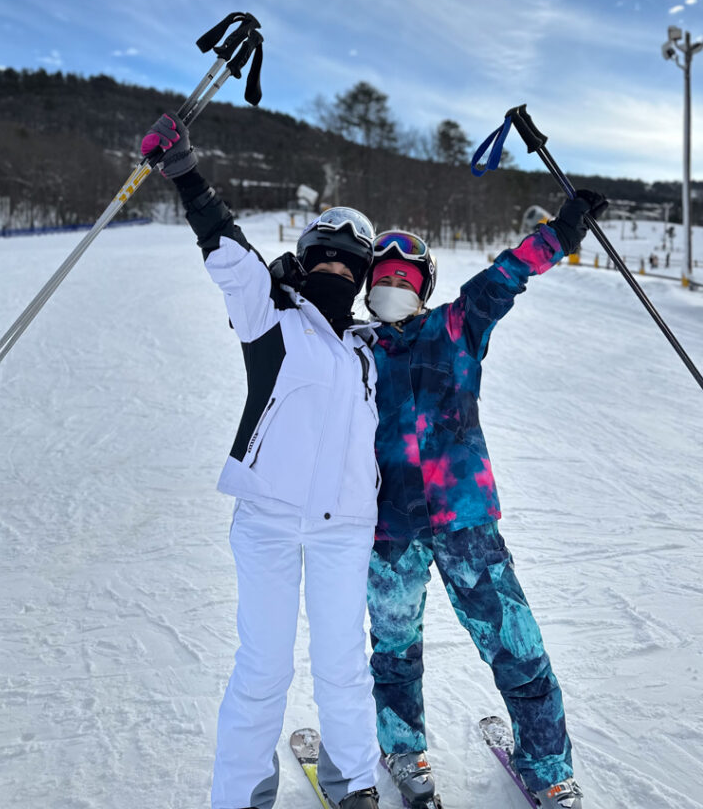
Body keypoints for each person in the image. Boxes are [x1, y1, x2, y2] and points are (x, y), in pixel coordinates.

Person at [139, 113, 383, 809]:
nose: (335, 267)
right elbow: (228, 251)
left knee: (343, 669)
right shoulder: (271, 316)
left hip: (345, 529)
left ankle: (355, 784)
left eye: (349, 261)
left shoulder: (372, 350)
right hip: (269, 522)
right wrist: (186, 173)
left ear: (362, 274)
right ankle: (240, 796)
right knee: (263, 669)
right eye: (324, 255)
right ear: (304, 260)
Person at [363, 192, 607, 809]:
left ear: (425, 287)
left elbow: (507, 274)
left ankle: (548, 765)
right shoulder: (353, 349)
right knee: (394, 651)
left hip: (466, 523)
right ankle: (403, 746)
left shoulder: (455, 327)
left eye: (405, 277)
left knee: (517, 648)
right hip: (389, 531)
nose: (394, 284)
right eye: (384, 277)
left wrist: (561, 233)